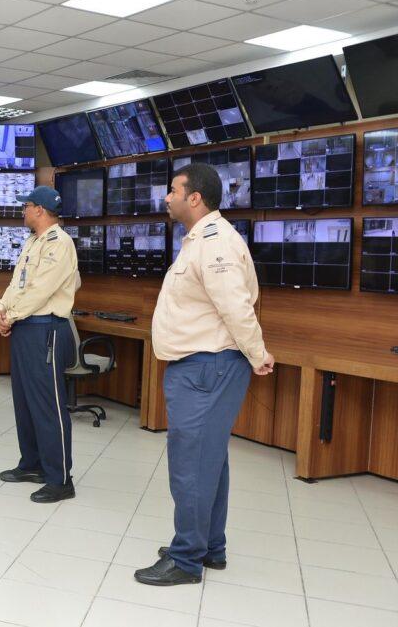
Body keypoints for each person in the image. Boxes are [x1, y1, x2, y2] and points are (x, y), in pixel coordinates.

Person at [134, 163, 274, 587]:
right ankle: (210, 546)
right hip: (202, 365)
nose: (167, 197)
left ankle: (186, 559)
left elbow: (236, 307)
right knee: (208, 459)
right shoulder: (200, 239)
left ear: (194, 198)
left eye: (173, 190)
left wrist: (257, 354)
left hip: (207, 367)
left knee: (191, 464)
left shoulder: (215, 243)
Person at [0, 186, 80, 504]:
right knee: (25, 403)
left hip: (46, 330)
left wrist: (11, 315)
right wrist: (0, 309)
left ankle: (60, 479)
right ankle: (32, 464)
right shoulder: (33, 241)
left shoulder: (60, 243)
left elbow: (41, 290)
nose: (23, 211)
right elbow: (18, 284)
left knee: (48, 406)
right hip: (25, 328)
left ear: (40, 210)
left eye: (26, 206)